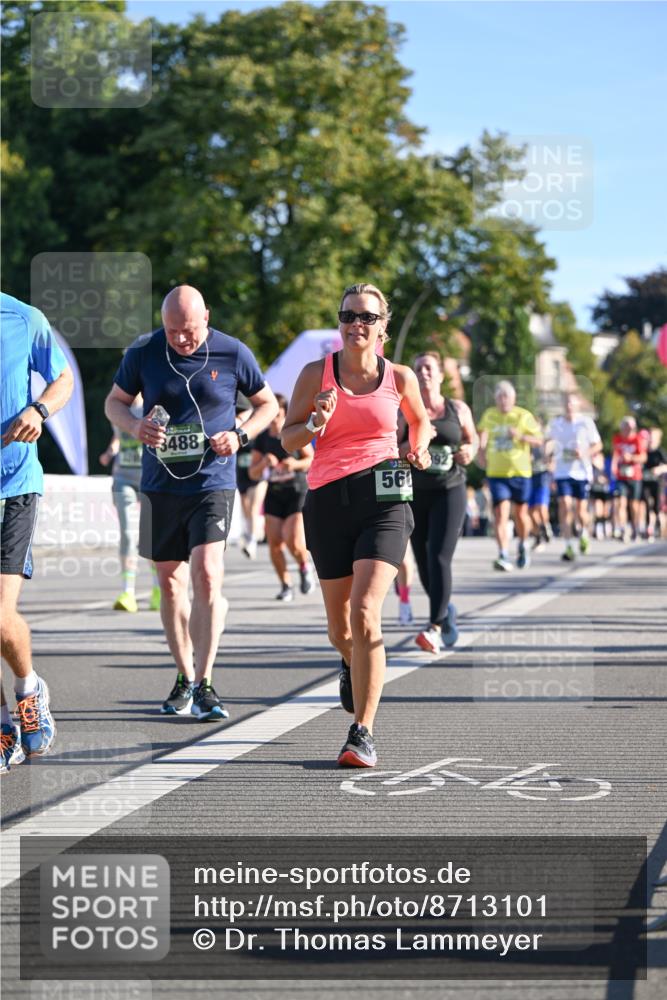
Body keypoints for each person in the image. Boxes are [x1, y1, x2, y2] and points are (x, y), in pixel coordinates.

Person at [104, 285, 278, 720]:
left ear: (207, 317)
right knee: (168, 583)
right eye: (172, 331)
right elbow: (114, 403)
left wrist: (239, 435)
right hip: (158, 485)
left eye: (188, 330)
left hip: (212, 482)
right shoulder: (144, 351)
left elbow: (267, 404)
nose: (181, 339)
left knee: (207, 573)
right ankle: (183, 675)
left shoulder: (232, 352)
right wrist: (134, 425)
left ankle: (205, 682)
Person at [281, 283, 431, 767]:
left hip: (385, 499)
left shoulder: (400, 377)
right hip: (327, 501)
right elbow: (289, 440)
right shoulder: (314, 375)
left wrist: (419, 445)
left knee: (366, 612)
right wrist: (314, 424)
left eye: (367, 317)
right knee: (339, 627)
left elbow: (420, 419)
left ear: (383, 326)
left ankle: (362, 731)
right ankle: (350, 660)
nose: (356, 325)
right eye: (348, 316)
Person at [1, 292, 73, 772]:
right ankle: (5, 727)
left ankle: (29, 688)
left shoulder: (23, 318)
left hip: (14, 486)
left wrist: (40, 411)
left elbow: (63, 378)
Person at [399, 351, 477, 653]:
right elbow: (394, 448)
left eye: (429, 368)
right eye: (418, 368)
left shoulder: (457, 408)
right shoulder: (405, 411)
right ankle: (447, 612)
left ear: (441, 375)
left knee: (439, 555)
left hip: (450, 488)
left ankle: (433, 627)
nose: (424, 373)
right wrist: (418, 440)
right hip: (416, 491)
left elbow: (472, 439)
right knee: (423, 564)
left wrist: (470, 449)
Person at [248, 393, 315, 601]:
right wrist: (263, 464)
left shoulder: (292, 433)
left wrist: (293, 465)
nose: (274, 420)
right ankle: (286, 584)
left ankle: (304, 566)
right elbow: (253, 473)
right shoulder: (262, 438)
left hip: (297, 491)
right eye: (272, 416)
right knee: (275, 543)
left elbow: (311, 460)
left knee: (292, 539)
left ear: (285, 414)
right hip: (274, 492)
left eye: (278, 415)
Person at [99, 393, 161, 612]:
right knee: (126, 534)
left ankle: (157, 589)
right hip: (123, 478)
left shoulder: (153, 408)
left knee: (150, 536)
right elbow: (117, 437)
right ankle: (128, 592)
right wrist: (110, 452)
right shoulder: (116, 407)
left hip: (149, 479)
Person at [477, 381, 542, 571]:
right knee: (500, 514)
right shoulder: (490, 415)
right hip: (497, 473)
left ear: (513, 399)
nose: (503, 400)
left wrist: (521, 436)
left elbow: (538, 440)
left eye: (506, 397)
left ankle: (522, 544)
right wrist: (481, 452)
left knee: (521, 514)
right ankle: (503, 554)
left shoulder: (523, 416)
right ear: (496, 400)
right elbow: (483, 434)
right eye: (499, 397)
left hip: (520, 473)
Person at [547, 393, 602, 561]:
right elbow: (548, 442)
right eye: (567, 403)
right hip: (562, 472)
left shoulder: (585, 422)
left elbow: (598, 445)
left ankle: (584, 533)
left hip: (582, 472)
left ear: (578, 406)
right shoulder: (556, 423)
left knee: (580, 511)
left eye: (572, 403)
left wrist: (584, 453)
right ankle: (568, 545)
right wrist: (548, 458)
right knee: (564, 504)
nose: (569, 406)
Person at [234, 399, 268, 560]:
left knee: (254, 508)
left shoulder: (259, 432)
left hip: (258, 475)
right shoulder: (237, 429)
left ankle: (252, 542)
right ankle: (250, 535)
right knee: (246, 509)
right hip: (241, 474)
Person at [611, 416, 647, 542]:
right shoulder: (617, 439)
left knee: (634, 505)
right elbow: (615, 454)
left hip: (635, 476)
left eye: (630, 428)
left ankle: (635, 528)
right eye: (625, 427)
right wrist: (613, 467)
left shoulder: (637, 439)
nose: (628, 430)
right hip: (621, 476)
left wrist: (631, 458)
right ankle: (622, 529)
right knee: (621, 502)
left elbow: (643, 457)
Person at [528, 418, 553, 551]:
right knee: (531, 510)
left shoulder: (545, 441)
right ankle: (538, 535)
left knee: (541, 507)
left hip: (543, 475)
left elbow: (551, 456)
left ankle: (546, 525)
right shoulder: (526, 441)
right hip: (529, 476)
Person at [642, 427, 667, 541]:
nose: (651, 439)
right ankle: (649, 528)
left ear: (658, 439)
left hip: (657, 482)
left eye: (653, 437)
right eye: (650, 437)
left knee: (657, 506)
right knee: (647, 504)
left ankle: (659, 525)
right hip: (646, 482)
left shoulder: (659, 452)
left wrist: (659, 469)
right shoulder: (644, 452)